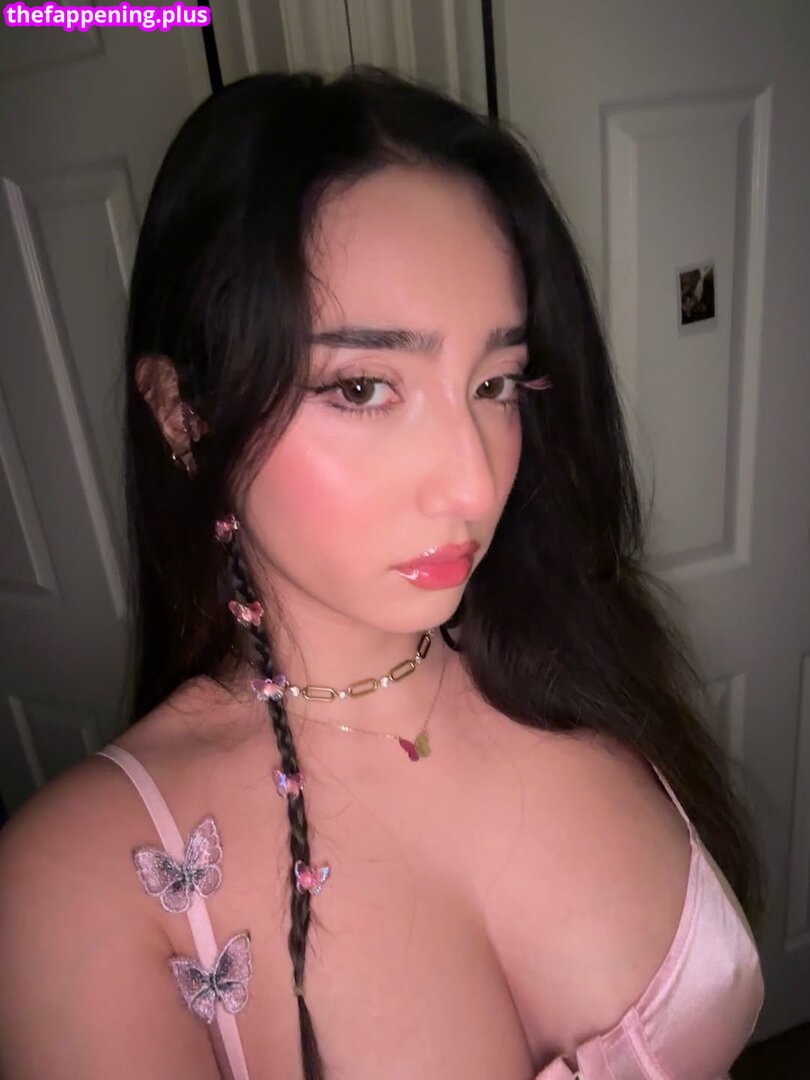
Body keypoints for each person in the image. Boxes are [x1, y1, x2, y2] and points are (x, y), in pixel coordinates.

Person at [0, 66, 765, 1079]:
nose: (474, 482)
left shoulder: (573, 653)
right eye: (363, 388)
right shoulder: (74, 886)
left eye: (496, 383)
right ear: (184, 416)